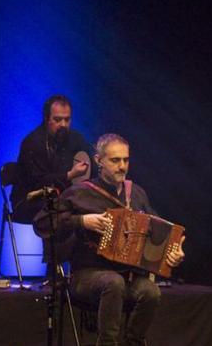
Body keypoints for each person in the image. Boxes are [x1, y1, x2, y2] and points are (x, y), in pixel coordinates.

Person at [34, 133, 184, 346]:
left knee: (150, 291)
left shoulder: (136, 194)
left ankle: (134, 342)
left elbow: (159, 232)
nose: (122, 166)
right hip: (86, 276)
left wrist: (172, 252)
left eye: (126, 160)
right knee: (113, 283)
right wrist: (82, 221)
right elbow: (41, 223)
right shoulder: (79, 193)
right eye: (115, 160)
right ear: (98, 161)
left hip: (128, 277)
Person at [12, 94, 90, 221]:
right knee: (65, 209)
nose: (63, 124)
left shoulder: (73, 137)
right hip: (29, 200)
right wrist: (70, 175)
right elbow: (37, 182)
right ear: (46, 118)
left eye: (67, 119)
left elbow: (90, 155)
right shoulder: (33, 143)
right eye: (58, 120)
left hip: (58, 196)